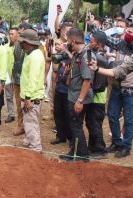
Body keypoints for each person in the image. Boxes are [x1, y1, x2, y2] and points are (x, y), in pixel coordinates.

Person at [59, 28, 96, 162]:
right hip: (73, 95)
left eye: (68, 42)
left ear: (73, 41)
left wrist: (80, 100)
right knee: (74, 125)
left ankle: (82, 155)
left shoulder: (87, 55)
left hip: (79, 98)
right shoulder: (77, 54)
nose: (67, 44)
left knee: (76, 126)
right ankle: (73, 152)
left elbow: (87, 80)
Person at [104, 22, 133, 158]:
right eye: (126, 31)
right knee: (112, 115)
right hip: (117, 86)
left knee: (129, 120)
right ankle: (117, 143)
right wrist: (113, 29)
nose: (127, 34)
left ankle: (126, 147)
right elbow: (103, 36)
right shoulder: (122, 43)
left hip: (132, 89)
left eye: (130, 33)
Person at [19, 29, 45, 151]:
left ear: (27, 42)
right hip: (29, 94)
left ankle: (36, 146)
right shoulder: (31, 54)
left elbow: (33, 79)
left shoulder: (35, 56)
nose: (20, 45)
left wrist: (28, 97)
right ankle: (29, 139)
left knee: (31, 122)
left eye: (22, 42)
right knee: (27, 120)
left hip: (32, 97)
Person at [85, 31, 109, 158]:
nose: (89, 43)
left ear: (98, 44)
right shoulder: (94, 56)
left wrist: (89, 90)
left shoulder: (101, 59)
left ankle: (100, 149)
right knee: (90, 122)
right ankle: (92, 146)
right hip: (92, 96)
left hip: (97, 98)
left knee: (95, 123)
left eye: (92, 41)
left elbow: (99, 84)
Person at [12, 23, 31, 137]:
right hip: (17, 79)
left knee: (28, 105)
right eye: (18, 33)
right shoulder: (17, 45)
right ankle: (21, 126)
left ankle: (29, 128)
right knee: (19, 104)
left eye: (21, 33)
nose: (19, 35)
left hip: (28, 81)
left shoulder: (34, 47)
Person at [3, 28, 17, 125]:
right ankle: (11, 114)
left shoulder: (22, 48)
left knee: (21, 96)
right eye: (10, 34)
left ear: (17, 35)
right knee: (8, 96)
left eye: (12, 34)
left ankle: (22, 115)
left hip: (18, 75)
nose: (10, 36)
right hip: (8, 74)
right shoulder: (5, 47)